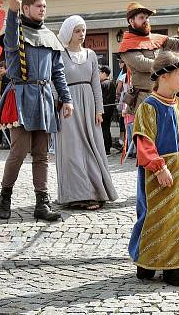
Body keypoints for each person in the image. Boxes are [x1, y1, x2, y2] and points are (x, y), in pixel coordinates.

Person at [0, 0, 73, 222]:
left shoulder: (50, 36)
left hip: (44, 97)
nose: (43, 9)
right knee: (18, 151)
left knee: (41, 154)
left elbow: (57, 71)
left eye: (44, 6)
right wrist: (11, 11)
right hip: (21, 95)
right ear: (26, 8)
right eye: (38, 5)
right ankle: (5, 196)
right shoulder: (15, 33)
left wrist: (66, 98)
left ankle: (42, 203)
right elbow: (9, 35)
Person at [129, 51, 179, 286]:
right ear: (163, 76)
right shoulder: (148, 107)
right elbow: (144, 142)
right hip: (158, 172)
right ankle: (147, 260)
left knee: (178, 218)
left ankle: (173, 267)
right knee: (154, 215)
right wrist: (159, 167)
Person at [55, 15, 118, 210]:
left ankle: (96, 191)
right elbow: (55, 81)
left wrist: (99, 109)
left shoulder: (91, 54)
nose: (82, 34)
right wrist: (62, 101)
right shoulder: (59, 54)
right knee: (72, 151)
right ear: (68, 32)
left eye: (83, 30)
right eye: (77, 30)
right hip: (68, 106)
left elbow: (95, 85)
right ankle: (77, 195)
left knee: (93, 148)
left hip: (89, 106)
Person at [117, 2, 178, 156]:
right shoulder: (127, 45)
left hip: (165, 96)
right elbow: (143, 64)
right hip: (144, 98)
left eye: (147, 18)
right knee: (149, 140)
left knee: (167, 138)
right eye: (142, 17)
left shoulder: (156, 38)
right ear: (131, 21)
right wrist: (171, 65)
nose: (146, 20)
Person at [99, 65, 117, 154]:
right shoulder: (112, 83)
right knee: (106, 128)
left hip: (103, 109)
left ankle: (105, 148)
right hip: (110, 109)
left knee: (103, 129)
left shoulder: (102, 84)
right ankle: (108, 147)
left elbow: (100, 98)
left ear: (104, 73)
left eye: (99, 73)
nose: (98, 75)